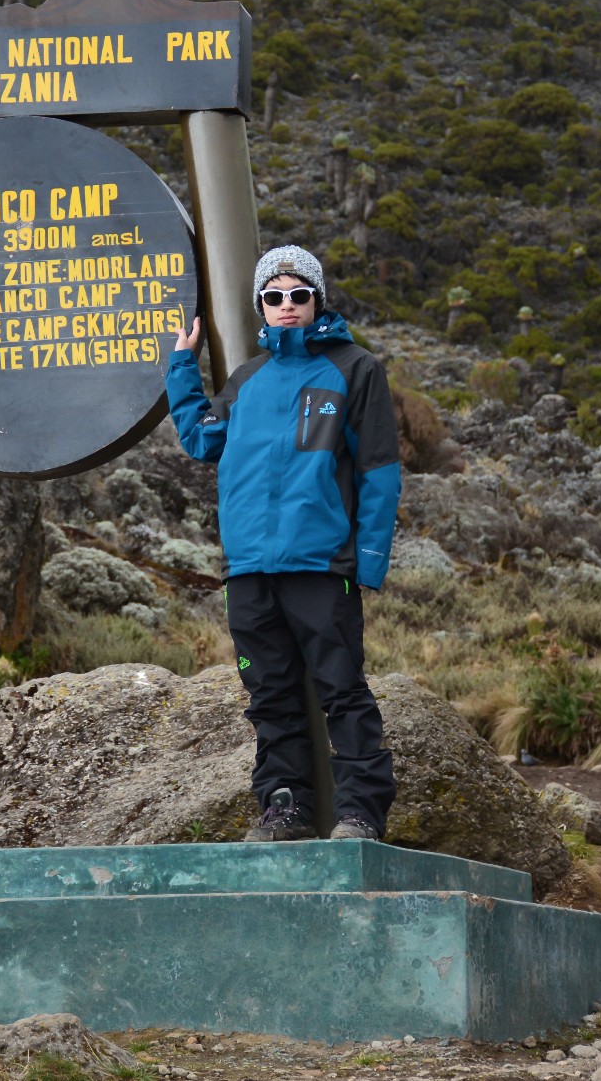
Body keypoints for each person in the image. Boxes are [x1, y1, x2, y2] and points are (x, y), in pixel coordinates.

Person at [166, 245, 401, 842]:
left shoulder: (354, 369)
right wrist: (181, 366)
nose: (287, 306)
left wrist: (368, 562)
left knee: (341, 691)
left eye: (299, 294)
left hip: (320, 565)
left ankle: (359, 813)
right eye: (274, 297)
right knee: (269, 698)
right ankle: (284, 807)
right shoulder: (247, 380)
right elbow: (200, 438)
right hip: (247, 570)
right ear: (261, 307)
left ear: (317, 299)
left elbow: (378, 472)